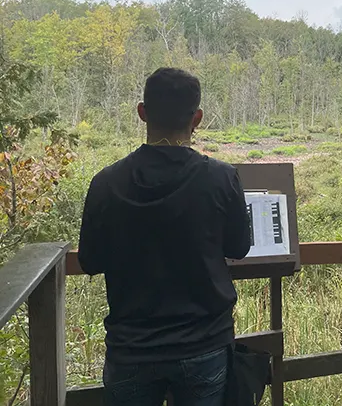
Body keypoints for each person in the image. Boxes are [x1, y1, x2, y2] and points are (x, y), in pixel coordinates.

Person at [78, 67, 251, 406]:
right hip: (204, 344)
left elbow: (89, 260)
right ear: (197, 118)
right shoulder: (221, 178)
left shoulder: (105, 182)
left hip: (131, 348)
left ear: (142, 112)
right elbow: (238, 247)